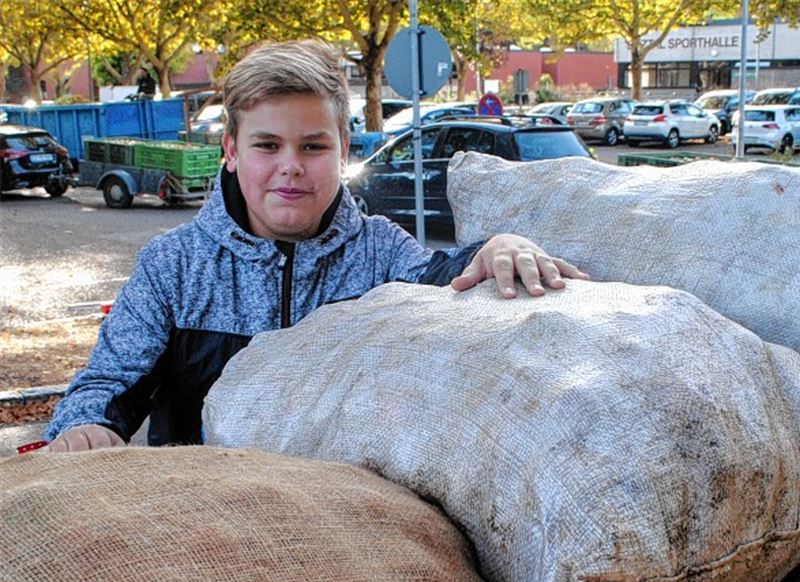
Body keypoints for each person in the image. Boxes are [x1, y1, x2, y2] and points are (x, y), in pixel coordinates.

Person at [46, 39, 589, 452]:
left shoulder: (380, 254)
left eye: (312, 146)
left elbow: (445, 272)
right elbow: (107, 384)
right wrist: (85, 427)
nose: (291, 166)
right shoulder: (174, 267)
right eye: (267, 145)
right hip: (201, 531)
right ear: (231, 150)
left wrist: (499, 245)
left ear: (343, 149)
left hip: (344, 540)